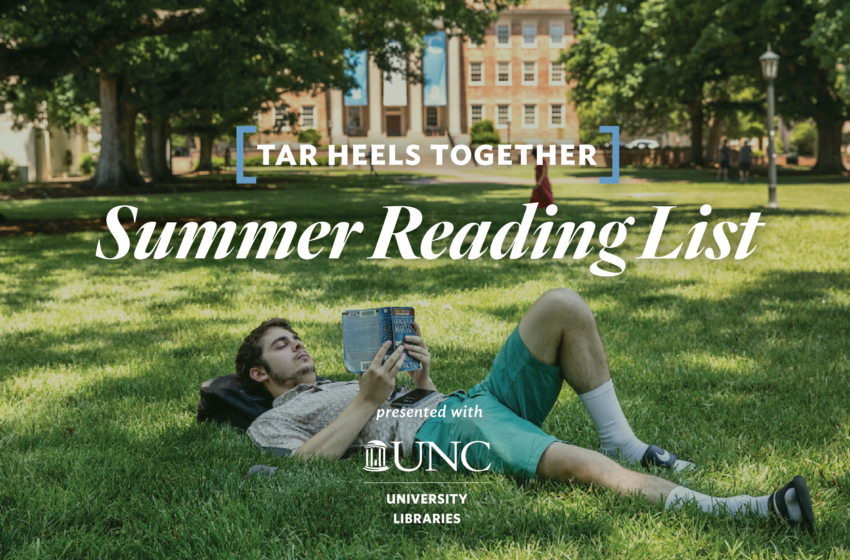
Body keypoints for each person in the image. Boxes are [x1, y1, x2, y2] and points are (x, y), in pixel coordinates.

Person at [239, 289, 816, 532]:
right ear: (259, 374)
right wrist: (368, 398)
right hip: (446, 431)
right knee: (578, 465)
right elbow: (301, 468)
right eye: (282, 345)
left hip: (464, 400)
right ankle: (744, 510)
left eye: (298, 338)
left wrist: (420, 380)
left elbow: (410, 403)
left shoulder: (342, 380)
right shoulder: (274, 418)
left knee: (562, 306)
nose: (300, 345)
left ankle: (623, 438)